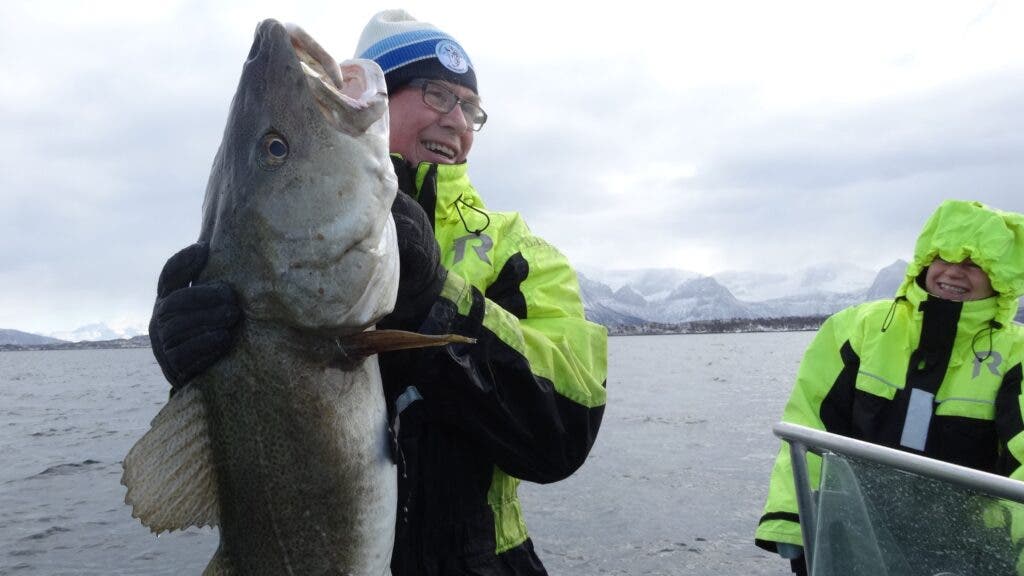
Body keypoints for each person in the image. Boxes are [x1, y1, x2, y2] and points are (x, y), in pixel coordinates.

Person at [148, 10, 608, 576]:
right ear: (384, 95)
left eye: (470, 108)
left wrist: (434, 298)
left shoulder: (517, 250)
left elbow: (564, 430)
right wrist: (196, 373)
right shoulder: (271, 232)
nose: (457, 122)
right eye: (437, 95)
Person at [754, 199, 1024, 575]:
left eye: (973, 263)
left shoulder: (1017, 354)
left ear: (1001, 275)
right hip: (853, 538)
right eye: (943, 257)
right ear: (925, 261)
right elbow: (810, 426)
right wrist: (793, 520)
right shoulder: (857, 329)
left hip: (970, 552)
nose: (953, 272)